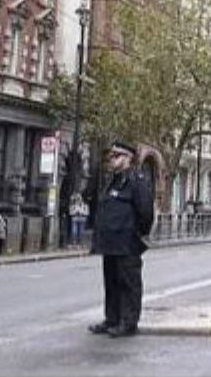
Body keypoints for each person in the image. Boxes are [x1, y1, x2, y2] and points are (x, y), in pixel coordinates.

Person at [88, 141, 154, 338]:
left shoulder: (136, 180)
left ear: (127, 158)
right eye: (111, 157)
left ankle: (128, 322)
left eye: (116, 156)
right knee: (112, 283)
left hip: (127, 241)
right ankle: (112, 318)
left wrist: (137, 233)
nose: (112, 160)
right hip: (110, 243)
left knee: (128, 283)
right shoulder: (113, 180)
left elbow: (146, 212)